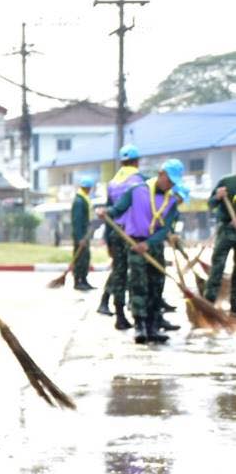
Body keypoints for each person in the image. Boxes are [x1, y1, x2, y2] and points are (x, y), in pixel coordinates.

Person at [101, 159, 184, 345]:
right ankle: (140, 326)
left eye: (173, 182)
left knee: (156, 284)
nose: (169, 184)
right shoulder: (137, 190)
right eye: (168, 179)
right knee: (138, 285)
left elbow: (165, 228)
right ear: (161, 173)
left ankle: (153, 326)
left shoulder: (171, 200)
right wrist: (105, 212)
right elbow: (118, 209)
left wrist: (150, 243)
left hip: (154, 246)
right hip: (135, 244)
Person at [99, 145, 142, 329]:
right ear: (136, 160)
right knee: (138, 274)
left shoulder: (112, 183)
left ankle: (120, 315)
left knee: (119, 273)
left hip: (116, 231)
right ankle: (140, 315)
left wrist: (107, 236)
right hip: (132, 233)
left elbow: (109, 212)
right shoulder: (139, 180)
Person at [205, 169, 236, 311]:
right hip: (226, 231)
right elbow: (210, 204)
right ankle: (209, 302)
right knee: (218, 265)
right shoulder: (227, 182)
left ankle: (234, 307)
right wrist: (218, 196)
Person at [71, 174, 98, 291]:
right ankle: (78, 281)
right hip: (81, 235)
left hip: (85, 234)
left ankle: (84, 279)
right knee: (80, 259)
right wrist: (80, 238)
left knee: (85, 258)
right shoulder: (79, 201)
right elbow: (77, 221)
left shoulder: (84, 199)